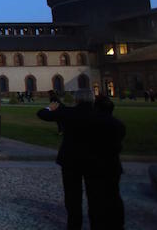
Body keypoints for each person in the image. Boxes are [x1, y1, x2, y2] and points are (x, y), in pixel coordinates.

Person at [37, 89, 110, 230]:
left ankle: (74, 225)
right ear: (92, 100)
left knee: (72, 196)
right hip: (94, 161)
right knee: (95, 195)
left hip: (71, 160)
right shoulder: (100, 115)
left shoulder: (68, 112)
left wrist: (49, 107)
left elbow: (42, 114)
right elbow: (118, 129)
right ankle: (96, 223)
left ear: (76, 100)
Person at [88, 95, 126, 229]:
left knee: (95, 197)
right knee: (114, 195)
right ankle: (118, 224)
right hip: (113, 165)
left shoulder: (91, 124)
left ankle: (97, 224)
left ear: (96, 107)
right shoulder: (119, 124)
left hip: (95, 165)